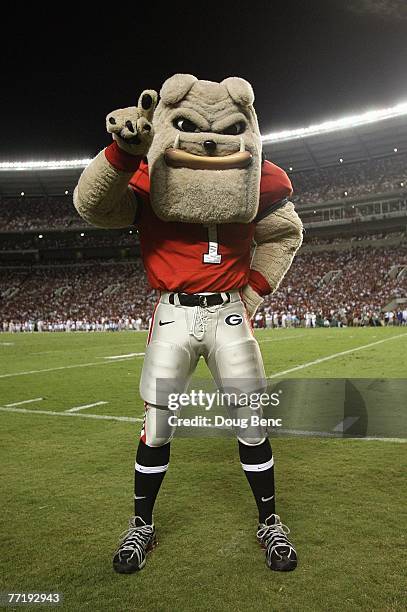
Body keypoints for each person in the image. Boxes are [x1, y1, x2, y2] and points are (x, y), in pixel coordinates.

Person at [74, 75, 303, 574]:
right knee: (156, 427)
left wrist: (254, 290)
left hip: (227, 312)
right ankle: (142, 524)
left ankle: (269, 521)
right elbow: (94, 205)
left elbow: (285, 232)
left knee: (251, 422)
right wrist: (119, 154)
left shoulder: (253, 181)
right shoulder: (153, 177)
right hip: (174, 312)